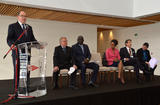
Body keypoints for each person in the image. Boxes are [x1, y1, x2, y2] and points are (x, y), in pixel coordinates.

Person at [7, 11, 38, 96]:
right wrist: (11, 45)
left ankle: (26, 88)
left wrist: (38, 45)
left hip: (27, 53)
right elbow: (9, 39)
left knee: (27, 71)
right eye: (22, 16)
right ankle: (16, 90)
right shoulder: (12, 26)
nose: (24, 17)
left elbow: (33, 39)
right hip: (17, 53)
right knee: (17, 71)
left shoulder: (29, 27)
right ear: (18, 17)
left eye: (25, 16)